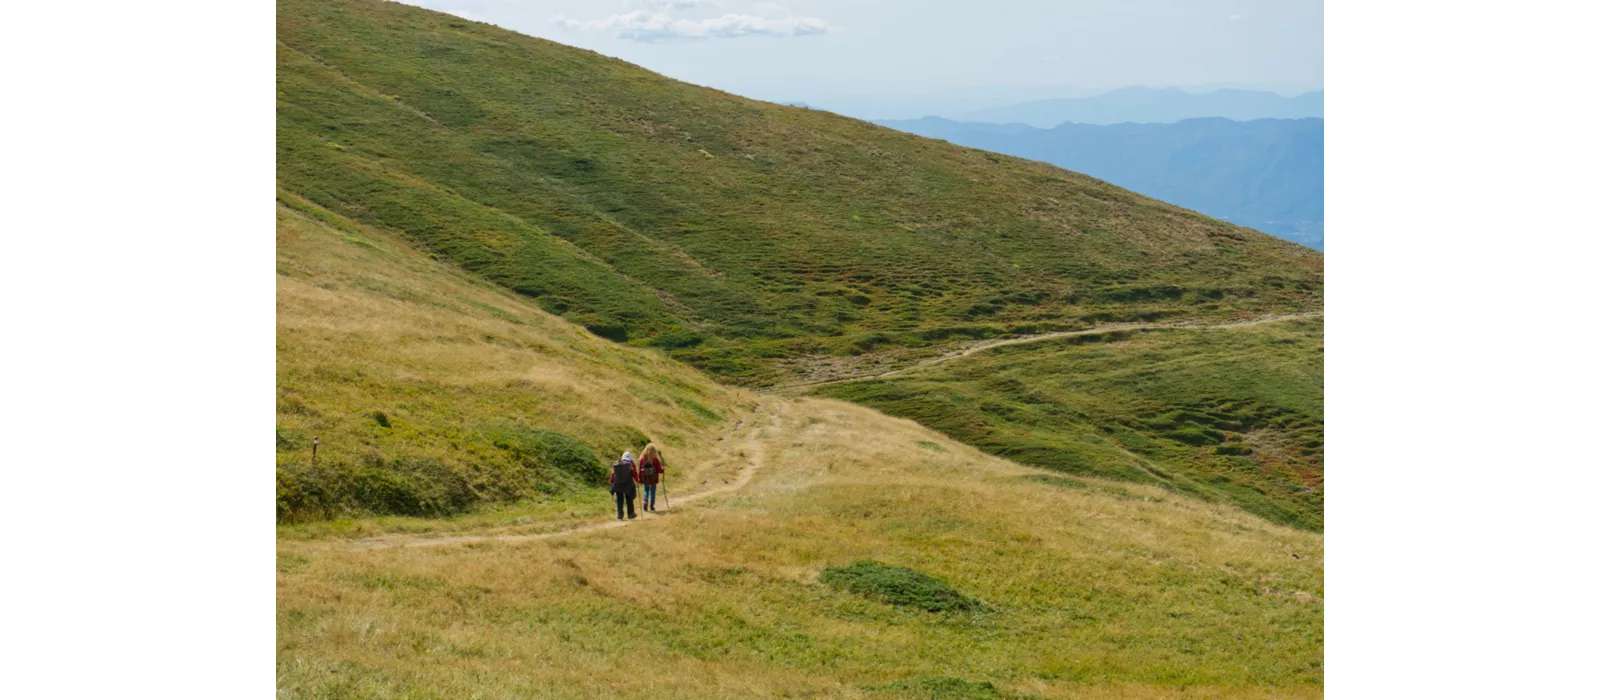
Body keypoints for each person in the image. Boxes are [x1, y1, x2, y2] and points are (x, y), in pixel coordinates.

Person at [609, 451, 639, 520]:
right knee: (629, 499)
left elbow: (613, 474)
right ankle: (630, 514)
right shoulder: (630, 464)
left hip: (617, 485)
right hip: (627, 485)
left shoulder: (617, 464)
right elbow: (634, 473)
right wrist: (638, 480)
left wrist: (611, 481)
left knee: (619, 500)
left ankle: (620, 515)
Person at [637, 443, 666, 512]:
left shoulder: (642, 459)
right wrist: (663, 470)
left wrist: (639, 479)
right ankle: (652, 506)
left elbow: (640, 470)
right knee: (653, 491)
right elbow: (659, 470)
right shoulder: (655, 459)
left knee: (646, 490)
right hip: (654, 478)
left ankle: (645, 501)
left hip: (645, 478)